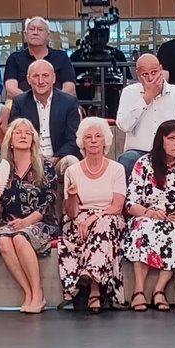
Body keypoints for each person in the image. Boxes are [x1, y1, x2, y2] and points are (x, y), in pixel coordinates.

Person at [121, 122, 175, 310]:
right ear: (161, 140)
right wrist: (149, 213)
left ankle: (159, 290)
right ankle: (139, 291)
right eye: (172, 138)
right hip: (149, 216)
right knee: (143, 228)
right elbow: (130, 204)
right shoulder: (143, 164)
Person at [0, 118, 58, 313]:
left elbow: (49, 200)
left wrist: (26, 222)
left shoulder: (45, 166)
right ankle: (28, 292)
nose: (23, 136)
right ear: (10, 139)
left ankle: (38, 293)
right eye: (18, 132)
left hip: (39, 221)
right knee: (3, 240)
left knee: (20, 238)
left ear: (33, 140)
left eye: (28, 133)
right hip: (8, 221)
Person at [56, 117, 126, 312]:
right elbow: (70, 213)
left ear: (105, 141)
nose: (94, 140)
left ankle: (89, 281)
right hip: (79, 216)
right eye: (88, 137)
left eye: (98, 136)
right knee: (74, 230)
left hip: (109, 216)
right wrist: (70, 197)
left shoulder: (117, 169)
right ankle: (93, 290)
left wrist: (94, 217)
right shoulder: (72, 171)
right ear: (82, 142)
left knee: (103, 226)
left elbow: (118, 206)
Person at [112, 52, 175, 170]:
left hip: (171, 152)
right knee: (126, 160)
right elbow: (124, 125)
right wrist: (147, 98)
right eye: (145, 74)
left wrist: (172, 148)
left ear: (161, 69)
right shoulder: (129, 92)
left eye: (154, 72)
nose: (150, 78)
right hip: (139, 152)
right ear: (138, 75)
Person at [5, 58, 82, 161]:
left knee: (71, 161)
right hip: (29, 160)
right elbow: (14, 136)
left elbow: (73, 139)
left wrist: (55, 159)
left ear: (54, 78)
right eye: (36, 76)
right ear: (28, 79)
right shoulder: (19, 102)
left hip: (59, 158)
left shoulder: (69, 102)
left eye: (45, 76)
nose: (40, 81)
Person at [1, 15, 74, 98]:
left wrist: (52, 104)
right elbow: (11, 89)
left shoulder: (62, 57)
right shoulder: (14, 58)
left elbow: (70, 87)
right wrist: (31, 103)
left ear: (48, 36)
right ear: (25, 35)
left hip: (58, 105)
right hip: (22, 106)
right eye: (32, 29)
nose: (35, 33)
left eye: (40, 30)